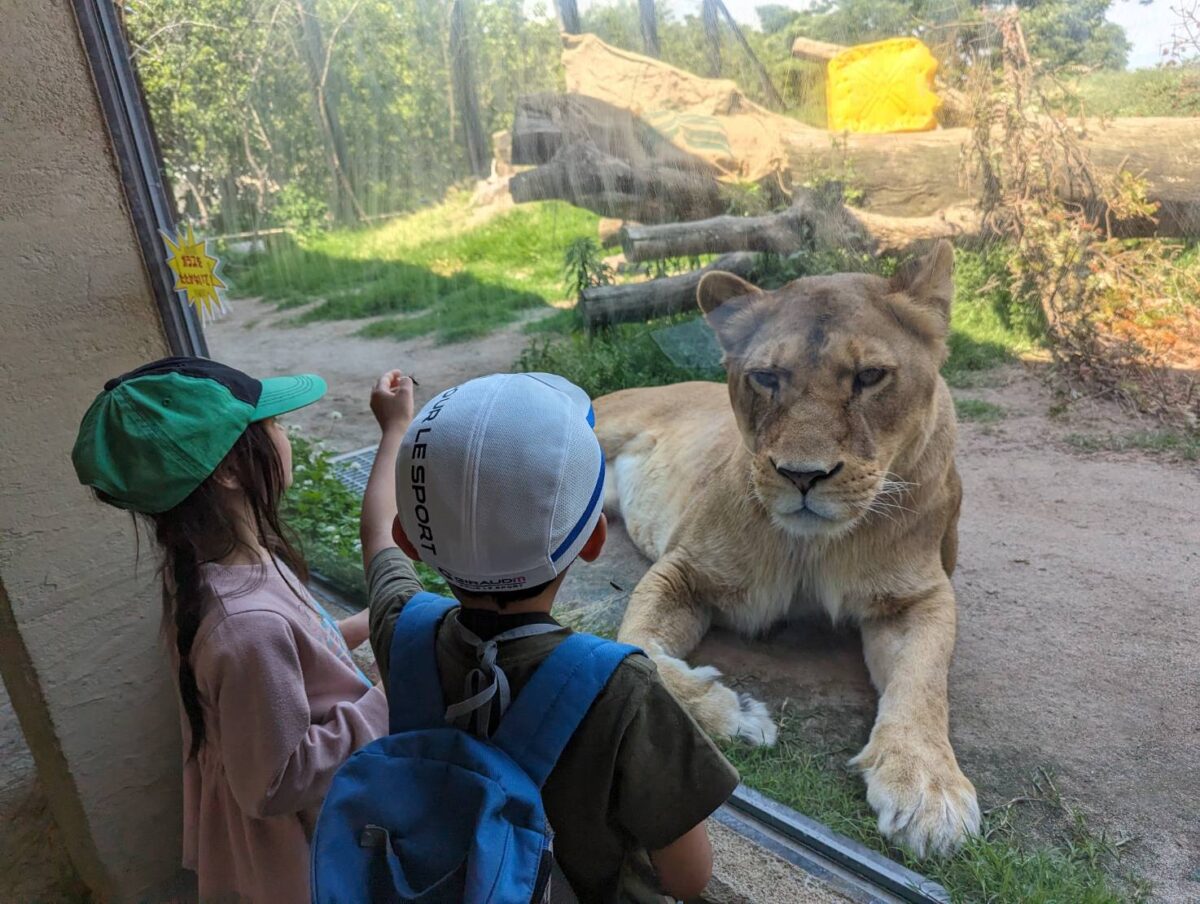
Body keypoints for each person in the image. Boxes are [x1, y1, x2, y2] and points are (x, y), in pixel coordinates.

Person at [360, 368, 740, 903]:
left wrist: (394, 429)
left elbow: (378, 537)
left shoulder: (403, 629)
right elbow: (688, 877)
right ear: (594, 540)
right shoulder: (622, 689)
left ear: (412, 539)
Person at [71, 356, 388, 904]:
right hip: (307, 850)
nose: (284, 434)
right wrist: (389, 695)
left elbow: (293, 663)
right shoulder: (245, 628)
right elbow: (276, 781)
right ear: (230, 471)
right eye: (272, 425)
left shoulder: (217, 571)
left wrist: (366, 625)